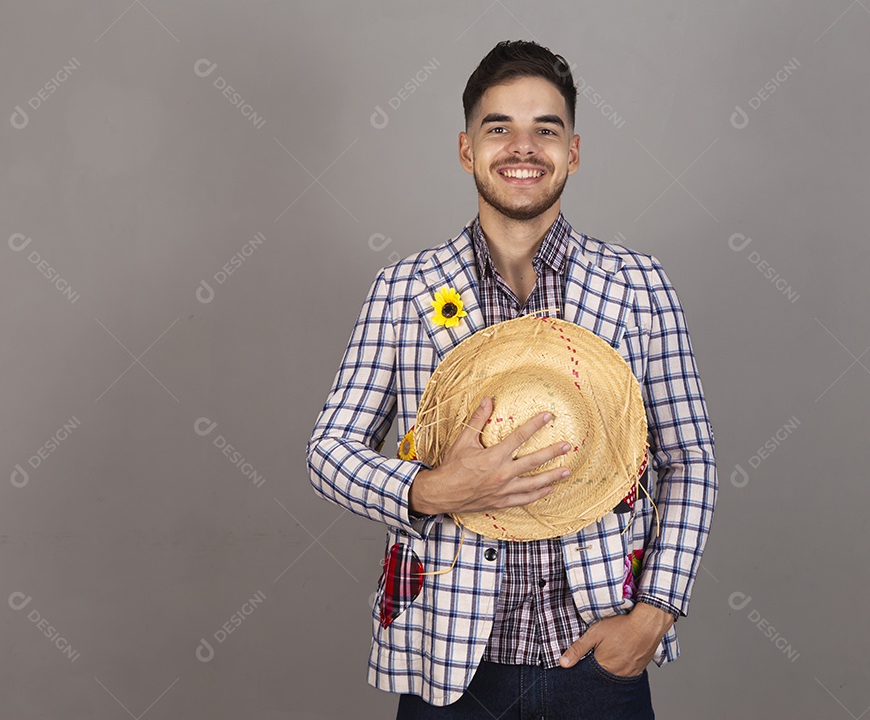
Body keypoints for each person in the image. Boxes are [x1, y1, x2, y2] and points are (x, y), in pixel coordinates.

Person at [307, 40, 717, 719]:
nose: (522, 148)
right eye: (499, 128)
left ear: (573, 152)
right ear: (467, 149)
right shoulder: (403, 291)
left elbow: (690, 458)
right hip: (449, 664)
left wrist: (655, 613)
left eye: (544, 130)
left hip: (597, 658)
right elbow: (329, 453)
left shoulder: (640, 288)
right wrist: (432, 488)